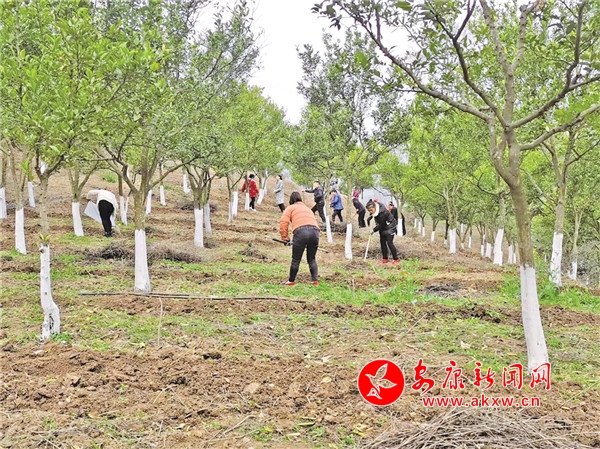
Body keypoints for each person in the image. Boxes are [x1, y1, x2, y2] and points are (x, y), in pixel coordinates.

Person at [279, 191, 320, 286]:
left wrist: (285, 238)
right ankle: (315, 281)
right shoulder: (307, 208)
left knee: (296, 260)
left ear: (291, 200)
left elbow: (284, 222)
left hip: (301, 232)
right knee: (312, 258)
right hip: (315, 232)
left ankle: (291, 281)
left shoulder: (290, 208)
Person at [366, 199, 400, 265]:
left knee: (389, 243)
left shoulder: (383, 213)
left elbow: (381, 225)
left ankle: (396, 259)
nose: (370, 212)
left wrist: (373, 230)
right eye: (369, 211)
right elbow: (374, 216)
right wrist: (369, 219)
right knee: (382, 243)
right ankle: (385, 259)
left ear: (374, 207)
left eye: (371, 210)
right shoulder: (376, 207)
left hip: (390, 226)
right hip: (383, 227)